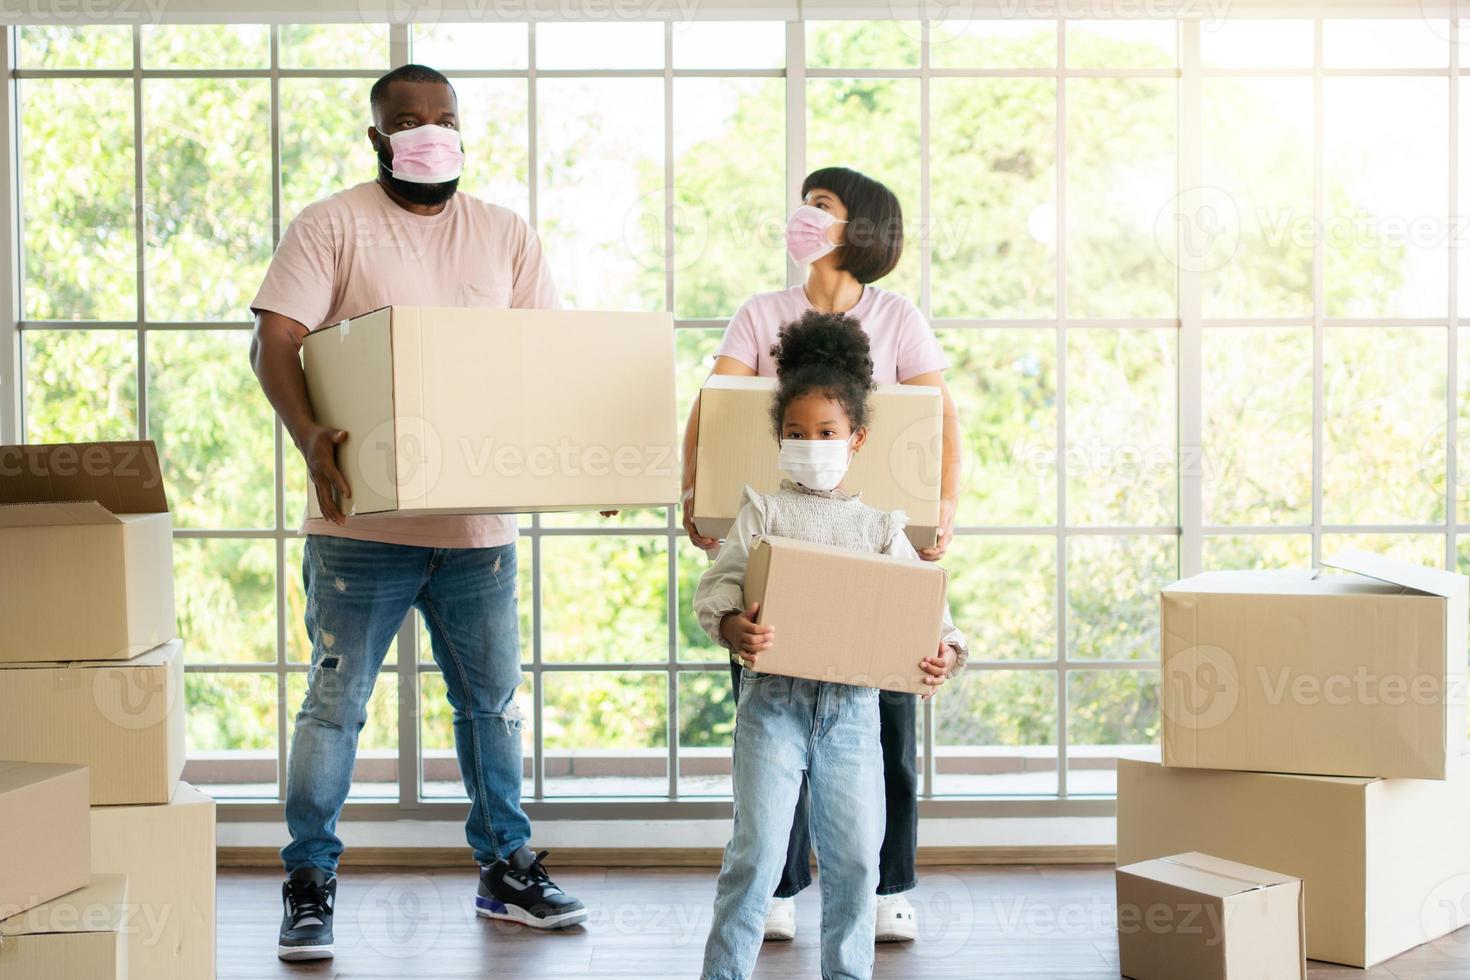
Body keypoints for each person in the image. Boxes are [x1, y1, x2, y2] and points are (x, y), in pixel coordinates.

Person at [249, 64, 586, 962]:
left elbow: (540, 361)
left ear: (463, 129)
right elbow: (275, 339)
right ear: (377, 138)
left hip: (478, 532)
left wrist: (579, 460)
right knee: (334, 707)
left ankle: (506, 869)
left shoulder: (504, 234)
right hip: (361, 529)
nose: (428, 130)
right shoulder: (331, 226)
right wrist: (309, 432)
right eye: (408, 120)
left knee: (491, 710)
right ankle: (309, 879)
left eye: (443, 117)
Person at [680, 166, 963, 942]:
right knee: (772, 715)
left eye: (823, 205)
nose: (805, 215)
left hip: (874, 542)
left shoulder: (898, 319)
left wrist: (942, 513)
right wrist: (692, 493)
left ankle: (887, 885)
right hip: (781, 543)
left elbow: (939, 421)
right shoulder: (762, 314)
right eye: (805, 202)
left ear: (858, 227)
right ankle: (776, 883)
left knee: (884, 728)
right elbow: (716, 409)